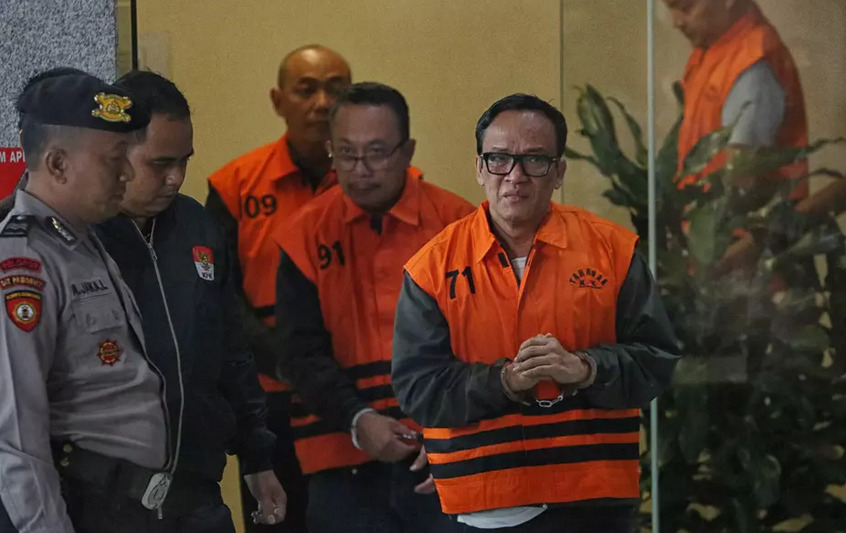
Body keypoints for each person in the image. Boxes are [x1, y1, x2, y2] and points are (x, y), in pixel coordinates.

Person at [391, 94, 681, 532]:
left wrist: (585, 369)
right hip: (482, 502)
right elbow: (418, 390)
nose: (515, 175)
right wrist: (505, 381)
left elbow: (657, 361)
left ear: (559, 171)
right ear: (479, 168)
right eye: (499, 159)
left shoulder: (613, 251)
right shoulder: (431, 268)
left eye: (535, 160)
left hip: (593, 499)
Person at [273, 82, 473, 533]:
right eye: (346, 153)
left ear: (408, 151)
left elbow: (486, 342)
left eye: (377, 153)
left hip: (447, 455)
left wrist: (449, 430)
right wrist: (357, 419)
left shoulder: (458, 227)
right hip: (340, 456)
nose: (360, 170)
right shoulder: (305, 234)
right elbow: (297, 353)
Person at [93, 70, 286, 532]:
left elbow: (230, 348)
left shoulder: (198, 227)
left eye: (184, 161)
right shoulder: (75, 236)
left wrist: (257, 457)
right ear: (115, 153)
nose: (176, 178)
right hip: (100, 501)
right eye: (161, 164)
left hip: (196, 492)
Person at [0, 70, 171, 533]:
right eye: (114, 159)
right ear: (58, 164)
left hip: (123, 505)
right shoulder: (23, 262)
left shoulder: (82, 241)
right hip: (81, 506)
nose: (128, 173)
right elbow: (15, 436)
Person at [206, 44, 352, 532]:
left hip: (356, 398)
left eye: (336, 89)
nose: (323, 103)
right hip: (269, 401)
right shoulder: (235, 185)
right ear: (278, 100)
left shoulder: (376, 183)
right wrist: (290, 363)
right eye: (306, 90)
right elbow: (220, 296)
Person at [664, 0, 809, 274]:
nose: (676, 22)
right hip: (711, 249)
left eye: (685, 6)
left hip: (743, 260)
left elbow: (741, 179)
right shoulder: (713, 52)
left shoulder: (752, 62)